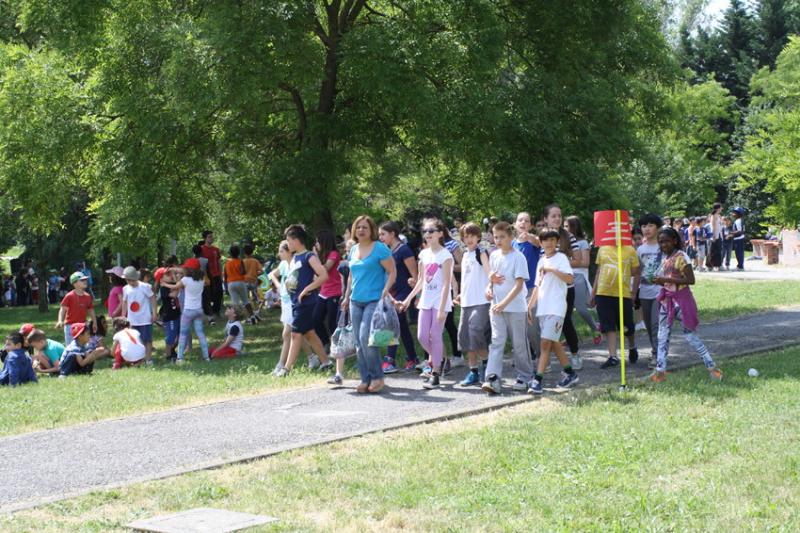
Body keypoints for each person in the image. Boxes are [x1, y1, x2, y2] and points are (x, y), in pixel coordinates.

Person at [650, 227, 722, 382]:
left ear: (675, 241)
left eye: (666, 241)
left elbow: (690, 280)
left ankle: (712, 368)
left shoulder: (681, 256)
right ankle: (660, 372)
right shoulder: (664, 258)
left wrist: (665, 280)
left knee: (690, 336)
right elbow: (665, 278)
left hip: (681, 302)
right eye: (660, 242)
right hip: (666, 302)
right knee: (662, 337)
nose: (663, 245)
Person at [341, 215, 396, 393]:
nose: (361, 230)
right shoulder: (353, 249)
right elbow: (351, 275)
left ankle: (378, 377)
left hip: (374, 300)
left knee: (367, 338)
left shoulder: (379, 249)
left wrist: (386, 289)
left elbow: (392, 271)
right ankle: (365, 378)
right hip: (355, 301)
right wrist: (346, 296)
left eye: (365, 227)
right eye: (358, 227)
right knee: (358, 341)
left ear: (371, 230)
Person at [400, 218, 453, 390]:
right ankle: (440, 358)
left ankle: (435, 373)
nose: (427, 234)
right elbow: (422, 280)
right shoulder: (423, 254)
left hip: (440, 301)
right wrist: (408, 299)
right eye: (425, 231)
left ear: (440, 233)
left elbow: (446, 283)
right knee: (422, 336)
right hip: (426, 300)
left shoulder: (446, 255)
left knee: (436, 335)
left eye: (431, 231)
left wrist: (443, 308)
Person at [481, 221, 532, 395]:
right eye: (496, 237)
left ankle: (525, 376)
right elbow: (493, 280)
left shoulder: (518, 257)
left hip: (516, 308)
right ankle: (493, 378)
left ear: (511, 237)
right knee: (496, 342)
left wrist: (504, 304)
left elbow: (519, 285)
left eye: (502, 237)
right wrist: (489, 289)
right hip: (496, 307)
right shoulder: (494, 255)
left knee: (519, 344)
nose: (498, 240)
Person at [527, 229, 578, 393]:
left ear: (557, 242)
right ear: (540, 243)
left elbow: (570, 278)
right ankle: (570, 373)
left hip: (556, 307)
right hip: (543, 308)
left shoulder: (561, 258)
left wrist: (552, 270)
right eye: (545, 240)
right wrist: (529, 306)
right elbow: (537, 286)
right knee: (554, 342)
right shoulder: (541, 261)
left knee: (545, 343)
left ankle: (537, 379)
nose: (548, 243)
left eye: (552, 240)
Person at [279, 224, 334, 376]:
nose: (287, 243)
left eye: (288, 240)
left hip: (306, 302)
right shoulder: (295, 257)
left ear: (296, 240)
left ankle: (286, 368)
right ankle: (326, 362)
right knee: (309, 333)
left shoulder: (309, 256)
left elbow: (323, 275)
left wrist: (307, 289)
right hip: (295, 302)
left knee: (295, 334)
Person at [591, 231, 640, 368]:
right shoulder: (602, 249)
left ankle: (632, 346)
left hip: (623, 293)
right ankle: (613, 356)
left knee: (627, 326)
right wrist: (593, 293)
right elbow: (599, 271)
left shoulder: (630, 250)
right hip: (603, 293)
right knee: (608, 325)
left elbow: (636, 273)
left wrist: (634, 292)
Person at [542, 204, 581, 366]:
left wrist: (560, 265)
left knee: (564, 321)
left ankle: (575, 353)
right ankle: (547, 360)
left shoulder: (569, 237)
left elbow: (579, 260)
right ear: (545, 219)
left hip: (566, 288)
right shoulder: (541, 237)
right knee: (546, 323)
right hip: (547, 289)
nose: (557, 218)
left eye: (559, 215)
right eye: (553, 216)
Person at [379, 221, 419, 373]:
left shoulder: (404, 250)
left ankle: (390, 360)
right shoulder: (387, 251)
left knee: (393, 322)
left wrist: (416, 296)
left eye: (383, 234)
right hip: (393, 292)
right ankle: (413, 358)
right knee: (401, 327)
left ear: (392, 234)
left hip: (405, 292)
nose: (380, 237)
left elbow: (415, 275)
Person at [455, 222, 491, 386]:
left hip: (482, 301)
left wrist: (491, 287)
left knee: (476, 332)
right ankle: (473, 371)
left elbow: (489, 273)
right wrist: (461, 294)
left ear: (478, 237)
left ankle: (487, 364)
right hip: (467, 302)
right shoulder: (464, 255)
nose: (468, 239)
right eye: (465, 236)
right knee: (466, 338)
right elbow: (467, 278)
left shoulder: (480, 252)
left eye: (472, 236)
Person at [564, 215, 601, 362]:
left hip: (578, 277)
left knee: (581, 308)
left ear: (574, 227)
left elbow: (585, 263)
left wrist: (565, 262)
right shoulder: (563, 242)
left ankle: (595, 328)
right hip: (565, 277)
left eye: (568, 226)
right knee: (567, 312)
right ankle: (571, 337)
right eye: (564, 227)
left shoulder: (582, 242)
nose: (565, 229)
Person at [163, 258, 210, 363]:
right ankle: (206, 356)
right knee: (200, 333)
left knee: (183, 334)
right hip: (198, 310)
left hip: (188, 311)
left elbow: (175, 286)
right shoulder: (202, 279)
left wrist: (165, 284)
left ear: (189, 269)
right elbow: (182, 271)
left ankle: (180, 357)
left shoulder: (185, 280)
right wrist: (175, 269)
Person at [512, 212, 542, 362]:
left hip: (531, 289)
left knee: (532, 328)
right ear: (515, 223)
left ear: (530, 225)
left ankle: (541, 356)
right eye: (520, 220)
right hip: (515, 291)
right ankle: (524, 358)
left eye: (526, 221)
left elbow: (539, 243)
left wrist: (528, 236)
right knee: (518, 328)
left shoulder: (533, 241)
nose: (523, 222)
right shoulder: (511, 244)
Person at [636, 213, 664, 368]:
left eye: (651, 225)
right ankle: (657, 350)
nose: (646, 229)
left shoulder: (664, 247)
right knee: (648, 324)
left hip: (660, 291)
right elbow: (638, 271)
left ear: (658, 228)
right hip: (644, 292)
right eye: (644, 226)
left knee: (655, 324)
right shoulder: (640, 249)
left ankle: (657, 355)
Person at [312, 229, 342, 352]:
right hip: (323, 293)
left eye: (318, 242)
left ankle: (337, 346)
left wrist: (315, 257)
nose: (316, 245)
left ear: (324, 242)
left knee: (332, 322)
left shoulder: (334, 254)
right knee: (315, 319)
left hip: (334, 292)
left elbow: (323, 270)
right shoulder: (321, 256)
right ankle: (326, 342)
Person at [121, 266, 156, 364]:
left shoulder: (145, 286)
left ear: (136, 278)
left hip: (145, 318)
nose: (130, 282)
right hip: (132, 320)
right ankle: (137, 359)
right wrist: (123, 316)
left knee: (147, 340)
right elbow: (124, 302)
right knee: (135, 340)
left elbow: (152, 298)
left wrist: (154, 312)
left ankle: (148, 359)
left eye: (131, 280)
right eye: (128, 280)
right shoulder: (125, 289)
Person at [270, 241, 294, 376]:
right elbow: (272, 274)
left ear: (289, 251)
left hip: (293, 301)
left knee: (287, 333)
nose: (279, 254)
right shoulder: (283, 264)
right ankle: (313, 358)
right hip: (285, 301)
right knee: (297, 334)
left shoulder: (295, 263)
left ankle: (281, 364)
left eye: (281, 251)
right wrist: (279, 286)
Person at [56, 271, 97, 346]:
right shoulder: (69, 296)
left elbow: (91, 310)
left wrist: (94, 322)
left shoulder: (87, 296)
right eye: (82, 280)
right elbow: (62, 309)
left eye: (85, 279)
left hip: (83, 325)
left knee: (84, 346)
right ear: (74, 283)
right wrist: (60, 320)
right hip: (70, 326)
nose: (85, 281)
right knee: (71, 346)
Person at [155, 257, 181, 361]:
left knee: (178, 335)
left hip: (177, 314)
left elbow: (177, 284)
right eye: (168, 274)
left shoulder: (173, 284)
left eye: (171, 274)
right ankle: (168, 355)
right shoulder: (164, 288)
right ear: (161, 279)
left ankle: (172, 351)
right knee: (170, 336)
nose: (171, 276)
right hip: (169, 316)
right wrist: (177, 284)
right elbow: (175, 294)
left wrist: (175, 276)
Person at [224, 245, 256, 323]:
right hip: (240, 282)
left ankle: (237, 319)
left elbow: (225, 275)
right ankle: (252, 316)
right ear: (238, 253)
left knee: (235, 303)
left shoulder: (227, 263)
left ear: (230, 253)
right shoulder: (240, 261)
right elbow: (243, 272)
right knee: (245, 300)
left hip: (230, 283)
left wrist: (225, 286)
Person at [201, 230, 223, 317]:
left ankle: (216, 311)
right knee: (207, 295)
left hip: (216, 274)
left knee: (219, 293)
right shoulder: (201, 249)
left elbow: (219, 262)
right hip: (206, 276)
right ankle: (208, 313)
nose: (212, 238)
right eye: (209, 236)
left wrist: (221, 274)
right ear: (205, 238)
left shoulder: (216, 249)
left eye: (212, 236)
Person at [243, 244, 263, 316]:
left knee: (245, 298)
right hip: (253, 281)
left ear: (244, 253)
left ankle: (249, 313)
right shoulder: (255, 261)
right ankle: (256, 311)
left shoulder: (243, 261)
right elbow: (261, 271)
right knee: (255, 297)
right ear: (252, 252)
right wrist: (256, 274)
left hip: (245, 281)